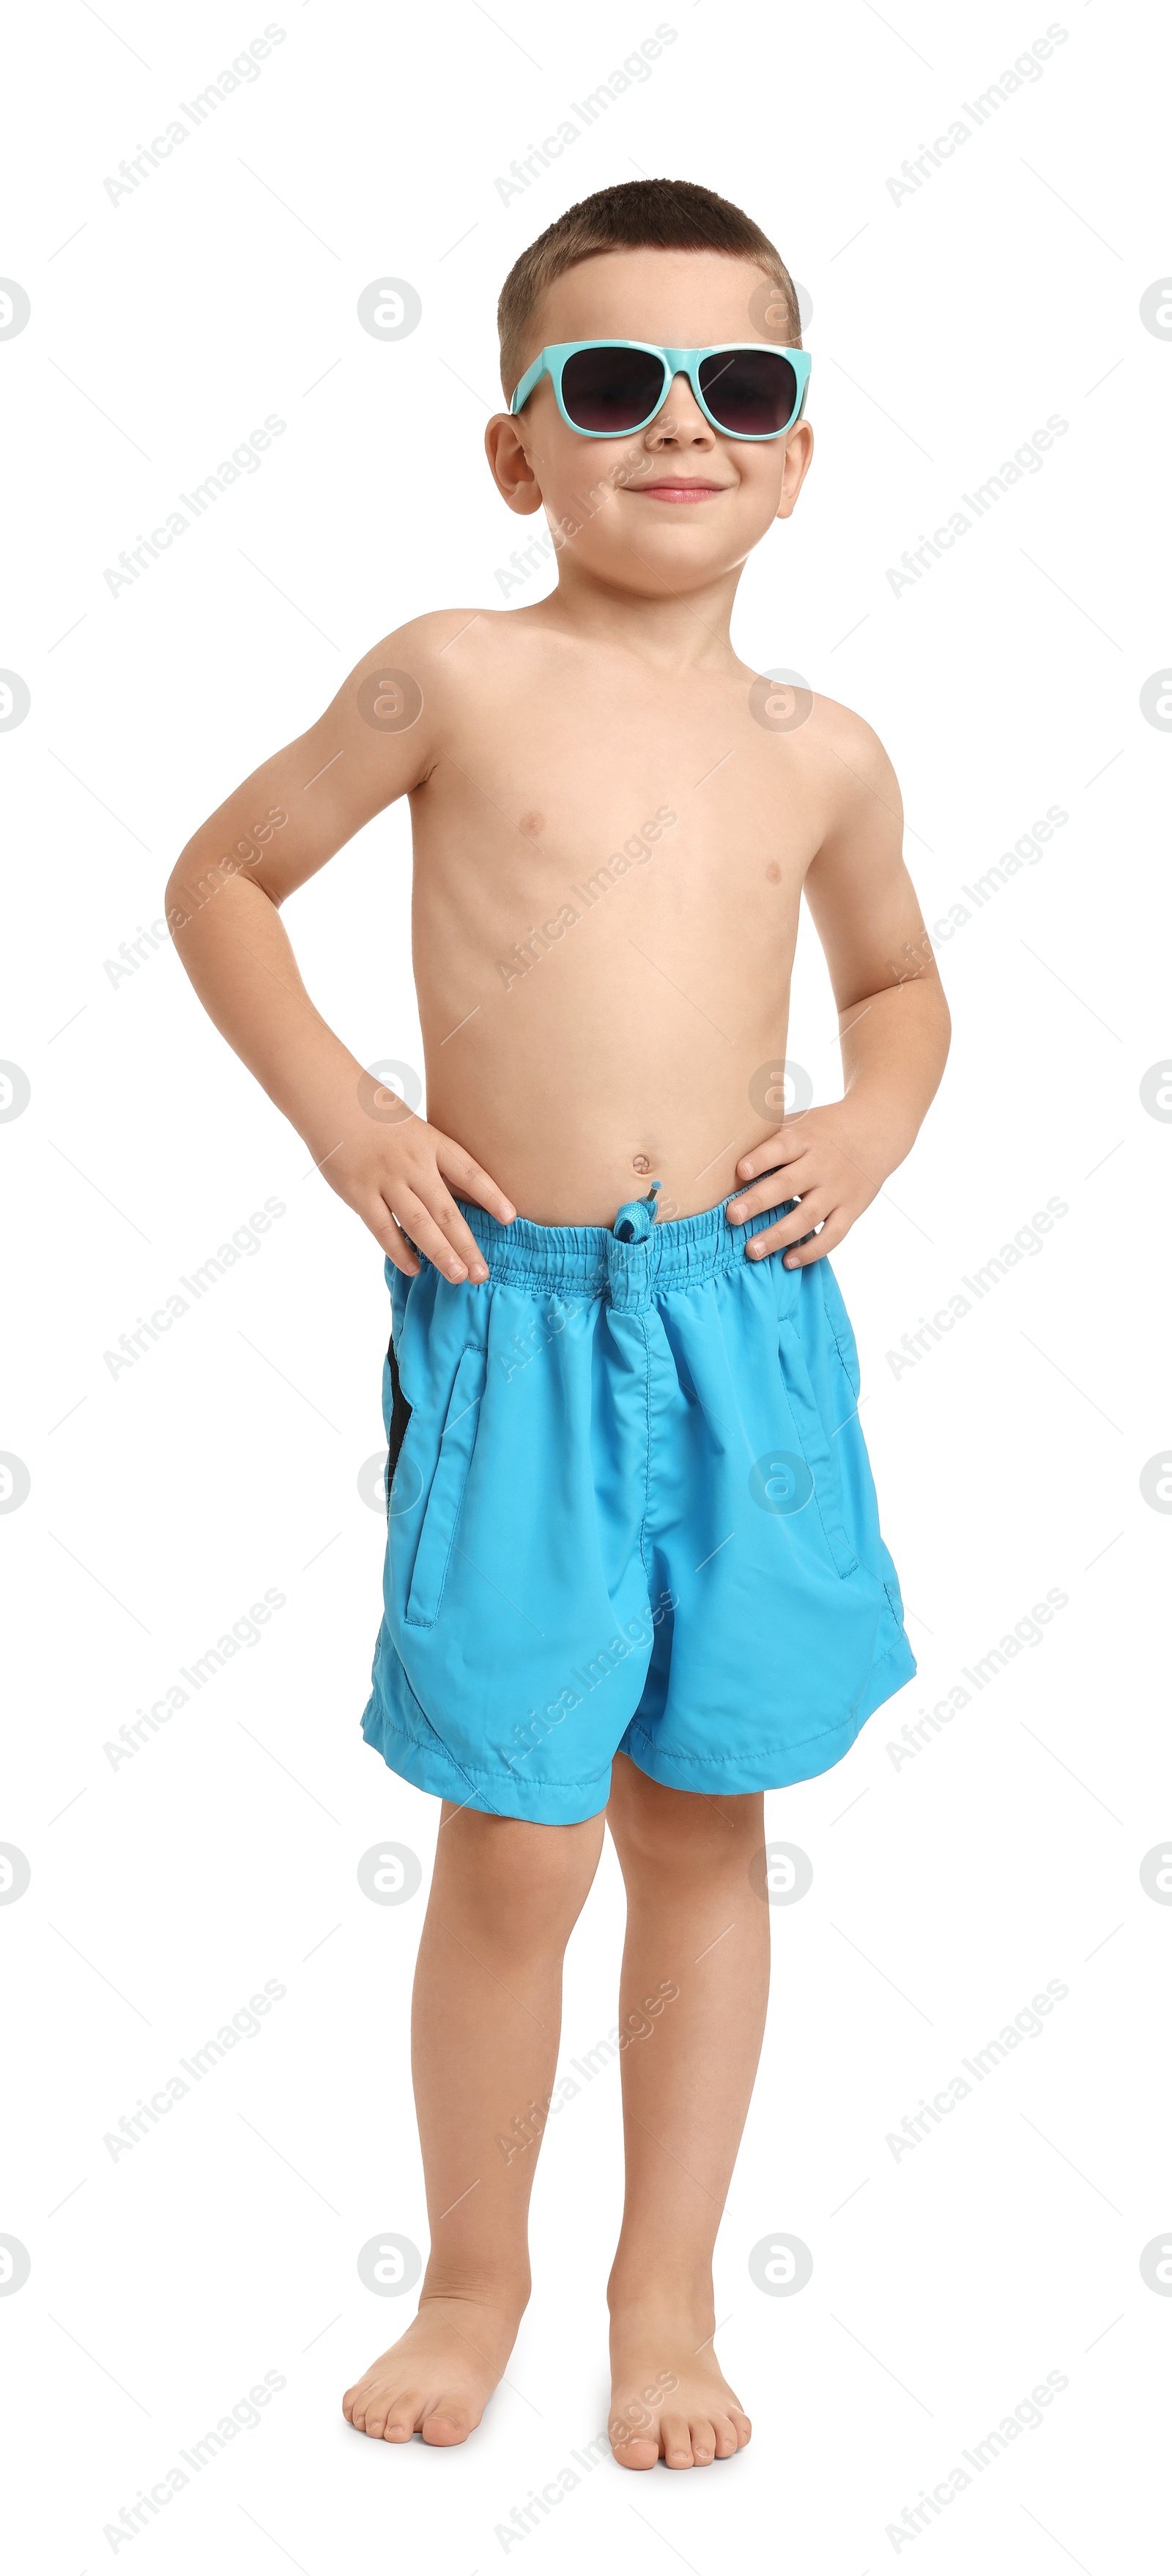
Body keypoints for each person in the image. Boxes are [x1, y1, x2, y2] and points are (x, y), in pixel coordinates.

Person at [167, 177, 949, 2472]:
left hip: (750, 1315)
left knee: (708, 1815)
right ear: (521, 448)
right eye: (613, 382)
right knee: (518, 1835)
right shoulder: (455, 670)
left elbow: (899, 982)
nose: (680, 424)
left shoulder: (825, 746)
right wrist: (345, 1121)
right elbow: (222, 876)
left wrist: (878, 1119)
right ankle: (478, 2271)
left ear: (800, 452)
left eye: (744, 385)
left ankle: (667, 2291)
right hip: (508, 1316)